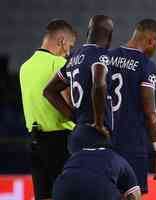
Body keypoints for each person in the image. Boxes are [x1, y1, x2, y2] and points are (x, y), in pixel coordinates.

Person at [19, 19, 76, 200]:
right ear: (61, 41)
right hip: (60, 141)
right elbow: (70, 102)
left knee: (44, 196)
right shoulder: (59, 63)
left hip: (35, 143)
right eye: (70, 46)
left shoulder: (24, 67)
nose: (69, 52)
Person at [108, 19, 156, 194]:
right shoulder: (146, 65)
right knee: (131, 195)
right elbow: (151, 114)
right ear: (151, 41)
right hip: (132, 145)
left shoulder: (106, 57)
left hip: (104, 141)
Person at [43, 15, 114, 153]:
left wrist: (73, 117)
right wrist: (98, 124)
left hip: (78, 133)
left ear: (88, 33)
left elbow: (49, 91)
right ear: (109, 37)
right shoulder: (101, 55)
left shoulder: (73, 58)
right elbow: (99, 84)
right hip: (96, 135)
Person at [52, 125, 142, 200]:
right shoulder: (117, 158)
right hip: (100, 189)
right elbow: (134, 195)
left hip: (63, 189)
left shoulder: (76, 156)